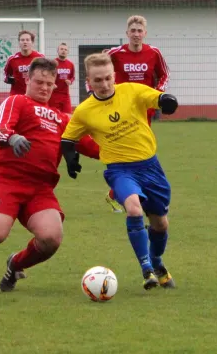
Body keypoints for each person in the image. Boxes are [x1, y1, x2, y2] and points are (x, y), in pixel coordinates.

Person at [0, 58, 99, 292]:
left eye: (49, 84)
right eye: (39, 82)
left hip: (40, 189)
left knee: (52, 238)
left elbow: (91, 146)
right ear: (27, 80)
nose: (44, 87)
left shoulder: (63, 118)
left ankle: (15, 265)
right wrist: (12, 137)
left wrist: (124, 152)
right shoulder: (17, 102)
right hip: (7, 182)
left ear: (55, 86)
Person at [60, 53, 178, 290]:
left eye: (107, 78)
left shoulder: (131, 91)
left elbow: (156, 97)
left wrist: (166, 99)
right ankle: (146, 268)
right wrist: (70, 158)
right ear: (88, 81)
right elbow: (68, 138)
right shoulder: (85, 111)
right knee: (133, 208)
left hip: (150, 167)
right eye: (97, 80)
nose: (104, 85)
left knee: (160, 224)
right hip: (120, 170)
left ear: (114, 76)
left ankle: (156, 261)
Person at [103, 15, 170, 213]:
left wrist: (157, 93)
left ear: (145, 34)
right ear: (127, 34)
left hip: (145, 108)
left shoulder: (154, 53)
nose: (136, 34)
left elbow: (165, 73)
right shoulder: (116, 53)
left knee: (141, 147)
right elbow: (100, 69)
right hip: (122, 107)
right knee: (126, 146)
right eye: (133, 31)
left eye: (140, 31)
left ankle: (122, 192)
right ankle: (125, 189)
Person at [3, 30, 45, 96]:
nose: (25, 42)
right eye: (22, 40)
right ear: (19, 42)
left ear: (32, 42)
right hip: (17, 94)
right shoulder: (12, 59)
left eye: (27, 40)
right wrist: (9, 79)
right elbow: (6, 74)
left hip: (34, 95)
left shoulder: (40, 57)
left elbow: (45, 74)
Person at [50, 43, 75, 114]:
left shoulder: (70, 64)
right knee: (55, 115)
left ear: (68, 52)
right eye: (61, 49)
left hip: (65, 94)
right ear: (57, 51)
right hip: (54, 94)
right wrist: (52, 83)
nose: (63, 51)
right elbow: (48, 76)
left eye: (65, 49)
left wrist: (70, 81)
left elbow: (72, 77)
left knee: (68, 115)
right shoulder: (53, 63)